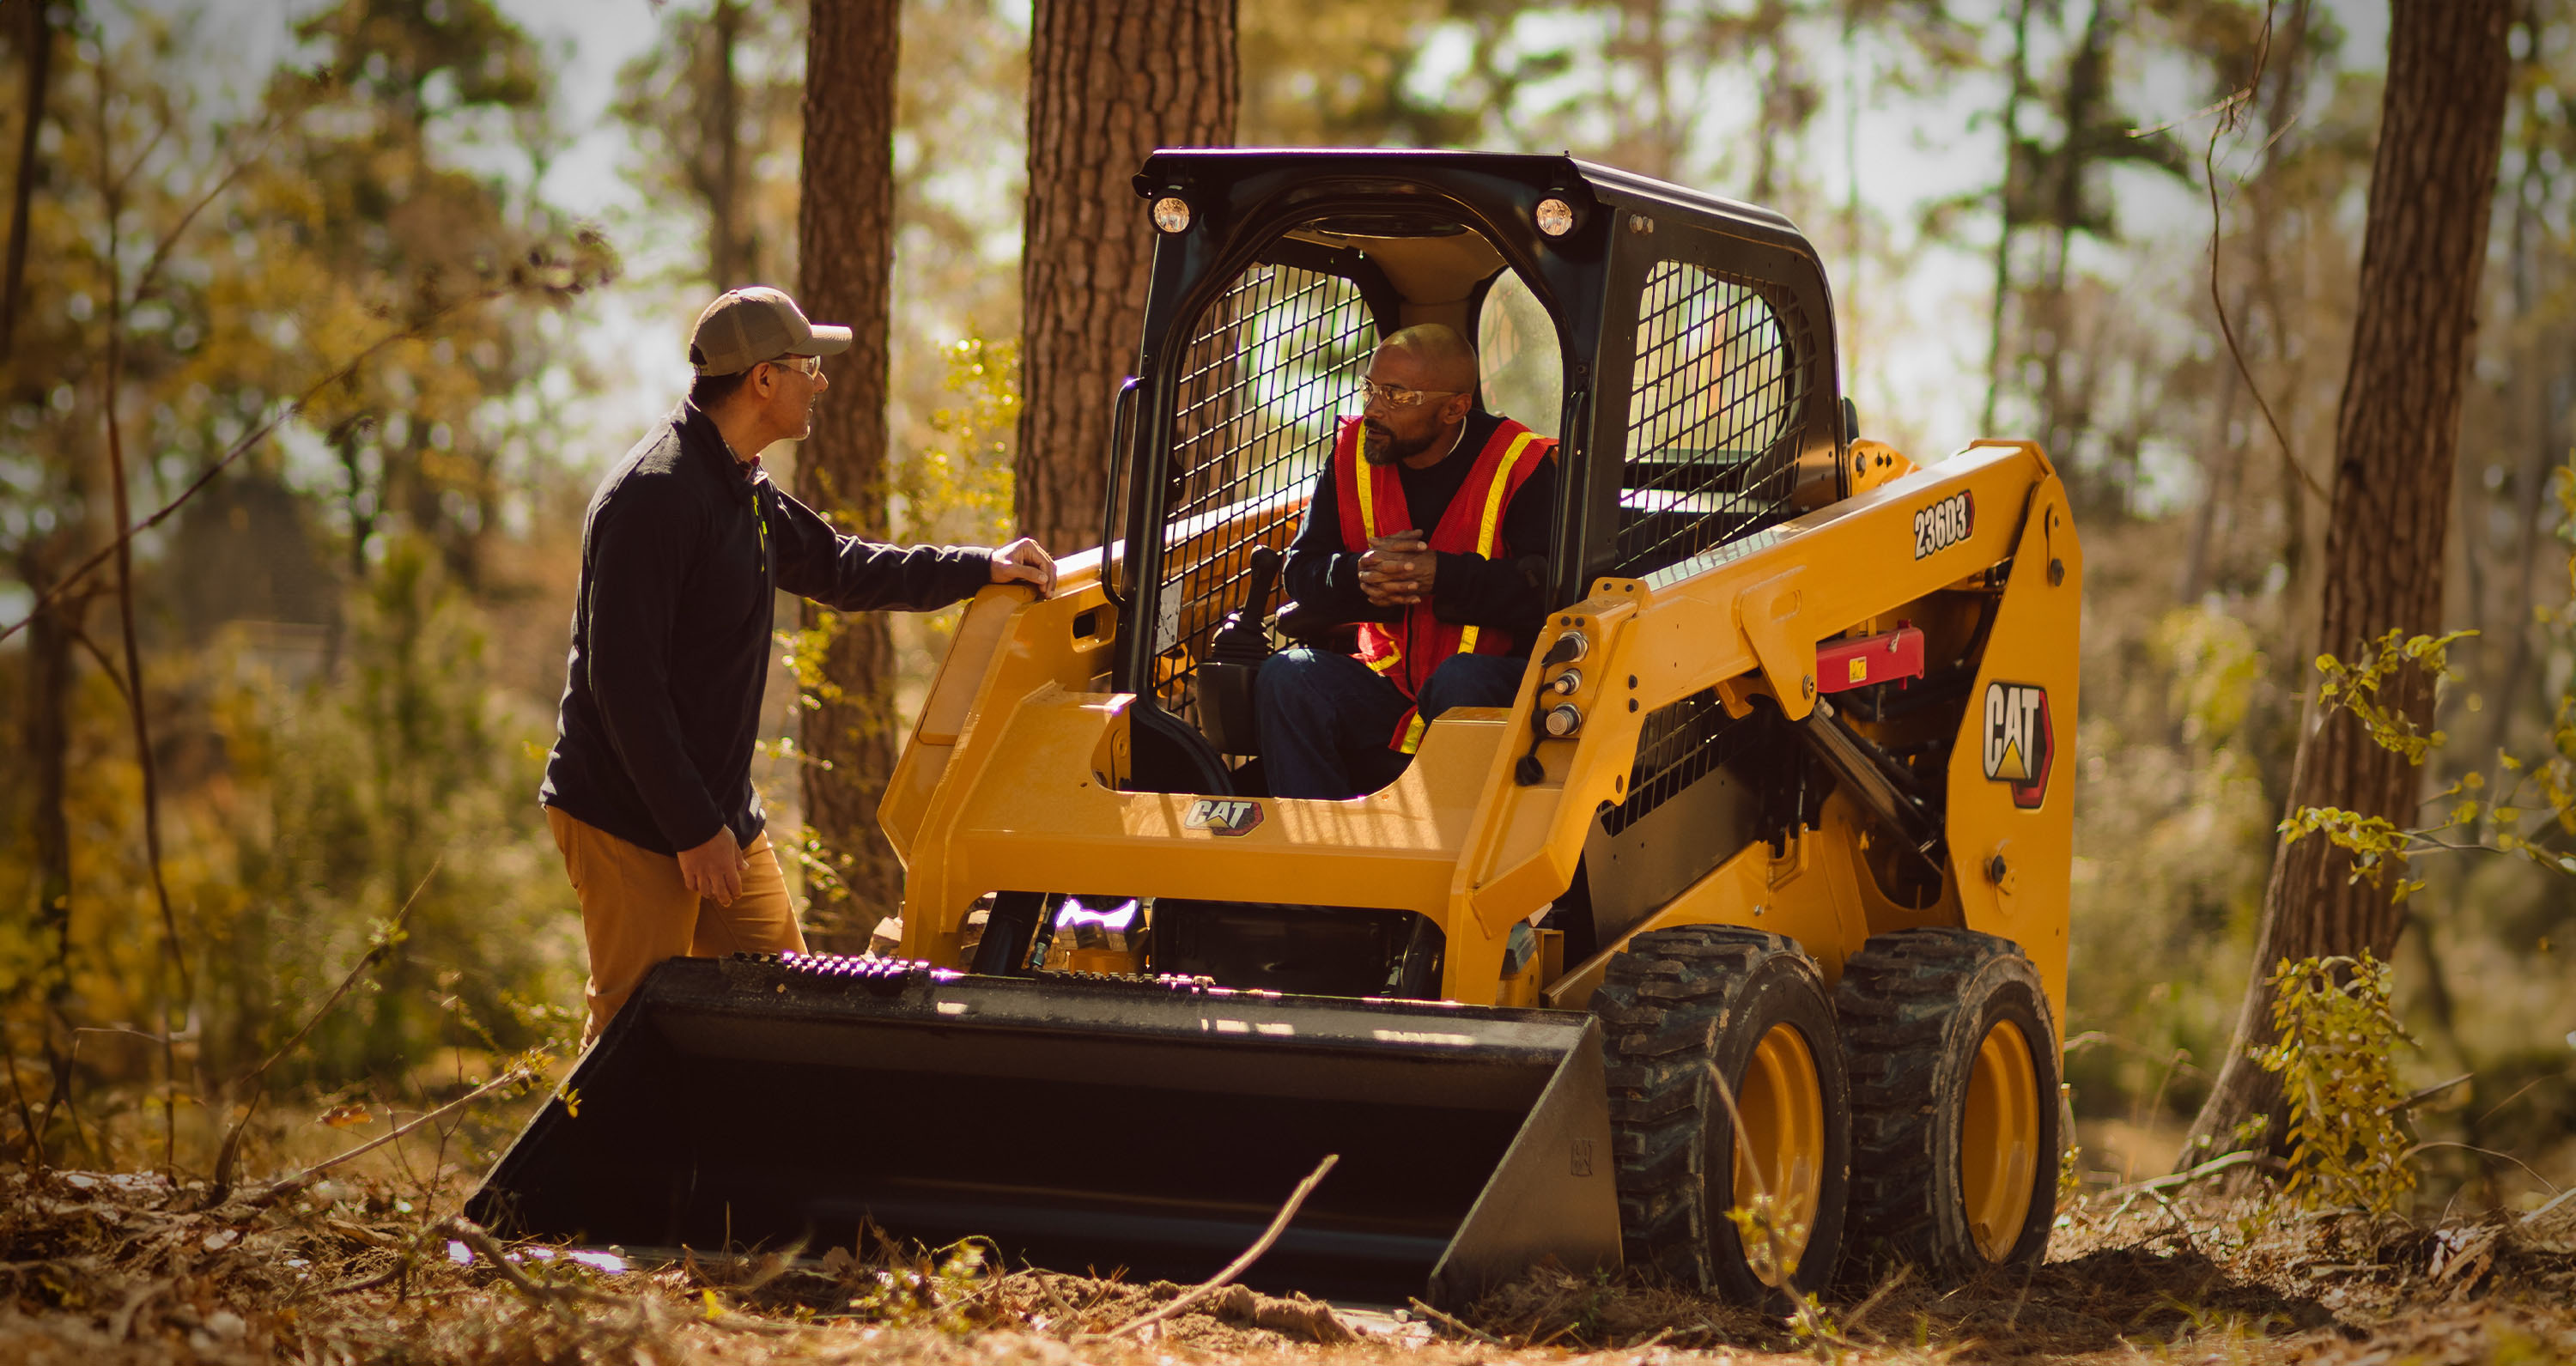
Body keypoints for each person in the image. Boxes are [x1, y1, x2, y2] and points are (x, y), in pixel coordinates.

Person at [540, 286, 1054, 1045]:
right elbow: (625, 688)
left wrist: (982, 567)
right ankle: (563, 1170)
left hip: (716, 819)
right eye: (808, 365)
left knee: (786, 1009)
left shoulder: (741, 483)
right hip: (630, 820)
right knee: (628, 1038)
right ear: (762, 380)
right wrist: (691, 828)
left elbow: (844, 568)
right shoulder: (656, 496)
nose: (821, 381)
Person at [1256, 324, 1557, 800]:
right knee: (1288, 675)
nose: (1373, 408)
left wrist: (1444, 575)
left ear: (1455, 408)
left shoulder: (1523, 463)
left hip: (1500, 686)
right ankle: (1312, 853)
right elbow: (1301, 569)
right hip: (1391, 683)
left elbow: (1552, 591)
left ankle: (1452, 851)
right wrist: (1358, 575)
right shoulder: (1349, 454)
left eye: (1396, 394)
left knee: (1460, 678)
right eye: (1370, 387)